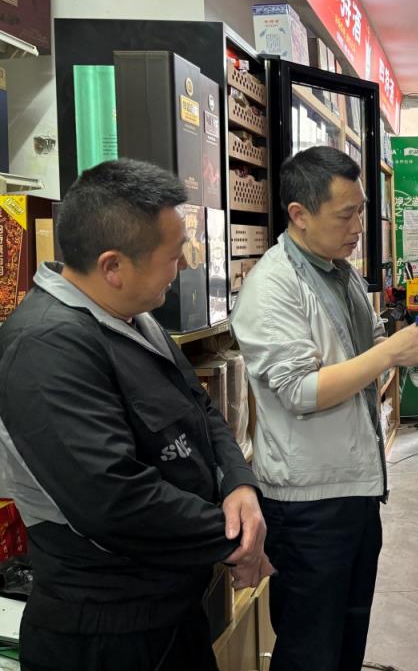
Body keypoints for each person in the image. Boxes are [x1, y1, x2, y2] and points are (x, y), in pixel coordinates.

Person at [0, 160, 269, 671]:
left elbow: (202, 411)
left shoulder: (135, 319)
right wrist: (236, 535)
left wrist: (239, 486)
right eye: (173, 255)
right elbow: (113, 499)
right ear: (113, 266)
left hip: (169, 615)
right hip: (104, 636)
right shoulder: (46, 347)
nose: (186, 265)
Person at [230, 146, 418, 671]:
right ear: (299, 215)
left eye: (361, 212)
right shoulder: (273, 285)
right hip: (308, 505)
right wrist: (388, 353)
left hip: (354, 491)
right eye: (345, 215)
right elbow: (299, 390)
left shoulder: (340, 271)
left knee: (348, 636)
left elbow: (369, 346)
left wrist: (413, 347)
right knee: (310, 648)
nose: (358, 228)